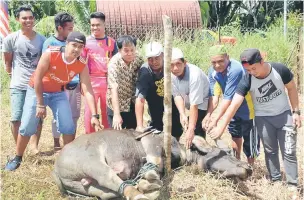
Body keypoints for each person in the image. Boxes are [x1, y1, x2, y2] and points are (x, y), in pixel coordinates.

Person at [5, 32, 103, 171]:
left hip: (58, 92)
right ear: (66, 44)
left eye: (80, 47)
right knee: (27, 126)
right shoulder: (51, 53)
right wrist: (40, 103)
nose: (76, 49)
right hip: (37, 90)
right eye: (74, 45)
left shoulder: (81, 64)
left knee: (68, 125)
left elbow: (88, 90)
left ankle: (69, 159)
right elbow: (38, 78)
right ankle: (17, 157)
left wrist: (95, 115)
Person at [209, 48, 301, 188]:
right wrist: (220, 126)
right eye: (248, 70)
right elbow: (234, 104)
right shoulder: (247, 79)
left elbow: (292, 88)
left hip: (284, 116)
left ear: (262, 61)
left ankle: (292, 185)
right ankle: (275, 180)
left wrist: (296, 112)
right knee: (270, 151)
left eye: (253, 68)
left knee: (288, 150)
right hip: (263, 119)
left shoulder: (279, 70)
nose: (251, 72)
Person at [202, 45, 259, 165]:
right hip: (231, 110)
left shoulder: (236, 69)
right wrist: (209, 116)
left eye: (221, 61)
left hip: (248, 109)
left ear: (227, 57)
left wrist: (218, 124)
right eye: (214, 62)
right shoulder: (213, 72)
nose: (217, 65)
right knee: (235, 135)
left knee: (249, 141)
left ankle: (251, 167)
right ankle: (237, 163)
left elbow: (227, 98)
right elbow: (215, 96)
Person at [2, 5, 45, 153]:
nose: (28, 20)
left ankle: (34, 146)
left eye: (31, 17)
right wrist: (12, 77)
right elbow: (8, 62)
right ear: (17, 19)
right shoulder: (11, 39)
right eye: (24, 18)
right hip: (18, 85)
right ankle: (19, 147)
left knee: (37, 117)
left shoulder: (42, 40)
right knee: (16, 118)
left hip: (35, 85)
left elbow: (44, 64)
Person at [42, 12, 78, 152]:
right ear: (60, 28)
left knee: (73, 115)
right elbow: (46, 67)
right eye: (69, 28)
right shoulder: (49, 43)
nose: (72, 31)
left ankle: (70, 145)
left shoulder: (73, 43)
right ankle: (57, 143)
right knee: (59, 115)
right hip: (59, 87)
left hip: (74, 85)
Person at [82, 12, 118, 133]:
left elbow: (117, 62)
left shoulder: (112, 42)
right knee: (90, 112)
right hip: (91, 81)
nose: (95, 28)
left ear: (104, 24)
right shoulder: (85, 42)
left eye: (98, 25)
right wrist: (82, 83)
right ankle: (90, 139)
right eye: (92, 25)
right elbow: (81, 63)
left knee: (108, 111)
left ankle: (108, 137)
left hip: (108, 81)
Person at [171, 48, 209, 149]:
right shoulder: (171, 74)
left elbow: (194, 105)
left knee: (196, 128)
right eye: (171, 65)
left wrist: (191, 129)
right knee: (186, 122)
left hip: (202, 100)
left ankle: (201, 150)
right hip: (187, 97)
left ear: (185, 63)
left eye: (178, 64)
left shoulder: (194, 75)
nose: (175, 68)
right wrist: (182, 114)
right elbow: (177, 95)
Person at [106, 35, 144, 130]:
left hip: (132, 102)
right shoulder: (113, 64)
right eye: (126, 50)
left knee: (133, 134)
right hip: (117, 104)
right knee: (116, 136)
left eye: (132, 50)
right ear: (119, 50)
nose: (130, 53)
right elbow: (113, 89)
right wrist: (117, 114)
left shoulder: (138, 58)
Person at [135, 42, 165, 132]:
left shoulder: (170, 65)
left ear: (162, 55)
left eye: (157, 58)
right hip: (154, 96)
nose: (154, 62)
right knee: (156, 124)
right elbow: (140, 99)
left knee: (175, 124)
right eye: (150, 59)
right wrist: (139, 125)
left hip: (171, 95)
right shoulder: (145, 72)